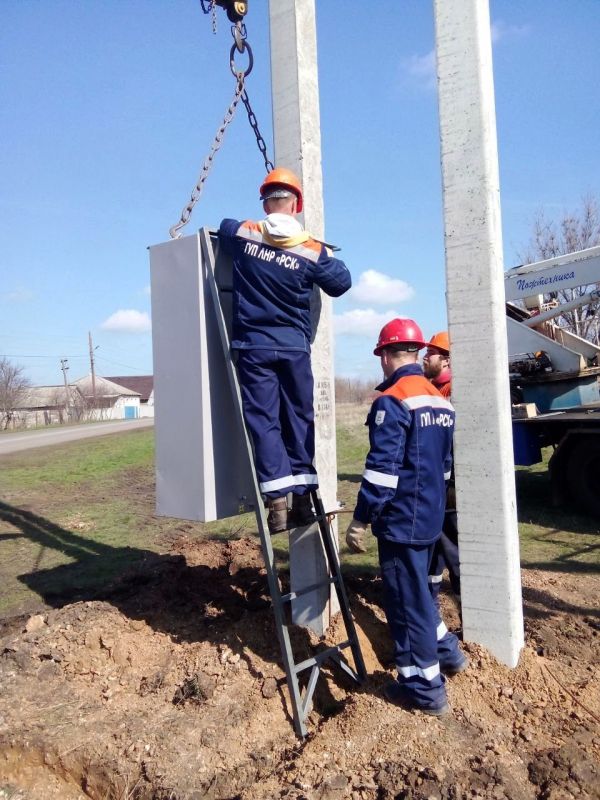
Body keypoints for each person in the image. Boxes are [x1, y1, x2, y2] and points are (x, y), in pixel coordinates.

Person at [218, 167, 351, 534]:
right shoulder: (311, 249)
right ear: (296, 205)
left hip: (254, 346)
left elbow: (224, 226)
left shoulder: (246, 233)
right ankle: (305, 498)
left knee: (264, 420)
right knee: (298, 418)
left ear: (265, 203)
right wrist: (316, 249)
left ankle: (277, 503)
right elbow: (341, 283)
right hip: (293, 348)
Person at [345, 318, 467, 716]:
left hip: (402, 525)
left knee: (406, 604)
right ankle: (448, 653)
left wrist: (361, 519)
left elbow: (381, 474)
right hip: (431, 518)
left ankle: (423, 689)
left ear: (384, 356)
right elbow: (445, 467)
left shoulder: (393, 400)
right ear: (417, 353)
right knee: (422, 597)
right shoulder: (439, 399)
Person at [423, 332, 461, 600]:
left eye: (431, 353)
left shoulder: (453, 392)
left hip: (450, 488)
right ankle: (430, 600)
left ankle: (468, 610)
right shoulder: (434, 390)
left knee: (455, 549)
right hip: (437, 486)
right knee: (434, 551)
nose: (425, 357)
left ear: (446, 360)